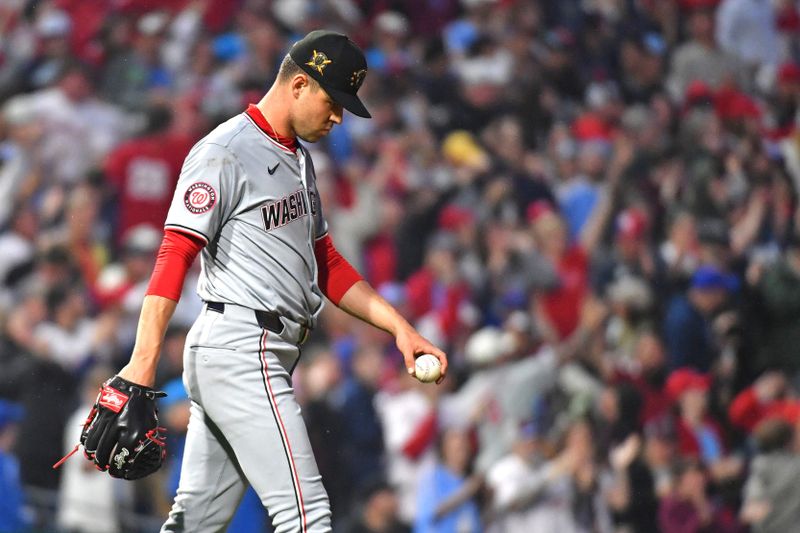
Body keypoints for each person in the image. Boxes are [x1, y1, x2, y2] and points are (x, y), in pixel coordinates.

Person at [93, 30, 447, 533]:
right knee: (307, 517)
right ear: (299, 84)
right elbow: (175, 253)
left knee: (195, 522)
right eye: (332, 101)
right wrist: (142, 365)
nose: (338, 117)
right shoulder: (225, 150)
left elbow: (325, 261)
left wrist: (399, 328)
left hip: (250, 350)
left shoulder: (299, 159)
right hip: (241, 346)